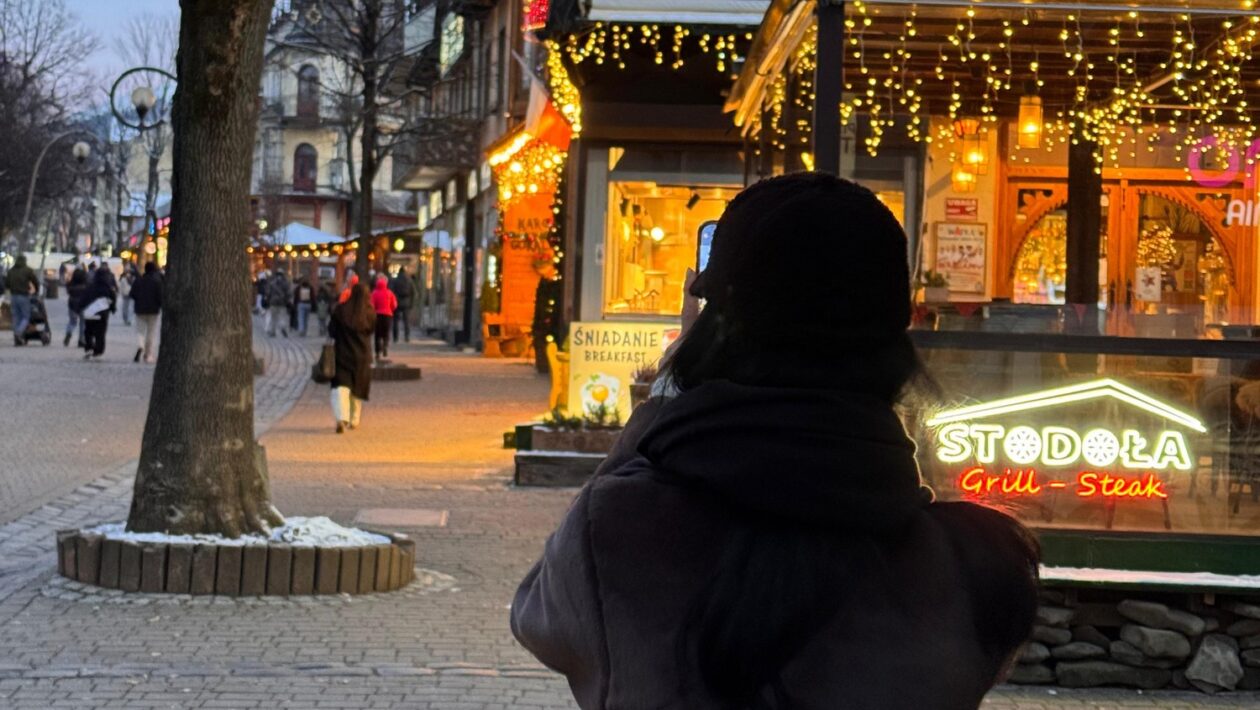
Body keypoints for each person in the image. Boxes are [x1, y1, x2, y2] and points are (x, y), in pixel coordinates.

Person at [510, 173, 1040, 710]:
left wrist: (659, 403)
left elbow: (537, 619)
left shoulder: (622, 528)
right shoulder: (978, 568)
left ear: (715, 330)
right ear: (895, 338)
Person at [328, 282, 374, 434]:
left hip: (342, 353)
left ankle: (342, 417)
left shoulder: (341, 310)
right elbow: (372, 330)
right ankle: (354, 419)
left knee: (341, 387)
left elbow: (332, 331)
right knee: (357, 388)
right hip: (361, 355)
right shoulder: (369, 313)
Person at [81, 263, 118, 359]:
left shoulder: (91, 286)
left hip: (90, 313)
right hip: (103, 312)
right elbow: (113, 299)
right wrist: (113, 308)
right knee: (100, 332)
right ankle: (98, 350)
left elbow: (84, 298)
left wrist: (80, 308)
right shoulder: (108, 288)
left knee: (88, 331)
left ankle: (89, 347)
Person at [130, 262, 163, 363]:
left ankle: (140, 345)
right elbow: (160, 296)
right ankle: (148, 354)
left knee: (140, 331)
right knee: (151, 333)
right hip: (153, 310)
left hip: (140, 309)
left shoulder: (139, 280)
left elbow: (132, 294)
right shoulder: (157, 281)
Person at [4, 254, 39, 346]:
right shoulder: (28, 270)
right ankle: (18, 333)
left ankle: (17, 336)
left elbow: (7, 284)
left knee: (16, 317)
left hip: (13, 296)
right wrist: (36, 290)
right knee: (25, 317)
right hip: (23, 296)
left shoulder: (11, 271)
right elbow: (35, 281)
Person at [370, 275, 397, 361]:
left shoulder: (374, 293)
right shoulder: (390, 293)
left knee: (377, 334)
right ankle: (385, 345)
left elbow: (371, 305)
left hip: (377, 315)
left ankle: (377, 352)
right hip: (387, 315)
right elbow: (394, 305)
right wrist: (390, 310)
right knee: (386, 333)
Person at [64, 265, 88, 347]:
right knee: (83, 323)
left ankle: (69, 332)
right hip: (83, 303)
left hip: (72, 303)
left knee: (72, 321)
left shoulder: (71, 283)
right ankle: (81, 340)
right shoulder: (85, 282)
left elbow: (68, 290)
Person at [390, 266, 414, 343]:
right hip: (406, 302)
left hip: (397, 302)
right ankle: (407, 337)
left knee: (395, 321)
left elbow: (392, 291)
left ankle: (395, 337)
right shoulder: (409, 280)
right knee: (406, 320)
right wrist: (411, 303)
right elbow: (413, 292)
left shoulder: (395, 280)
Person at [265, 268, 291, 337]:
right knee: (282, 317)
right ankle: (283, 327)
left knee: (273, 318)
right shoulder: (285, 283)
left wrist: (268, 300)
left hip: (273, 302)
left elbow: (268, 293)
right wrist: (287, 301)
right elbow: (288, 293)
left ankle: (272, 331)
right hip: (282, 303)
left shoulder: (272, 283)